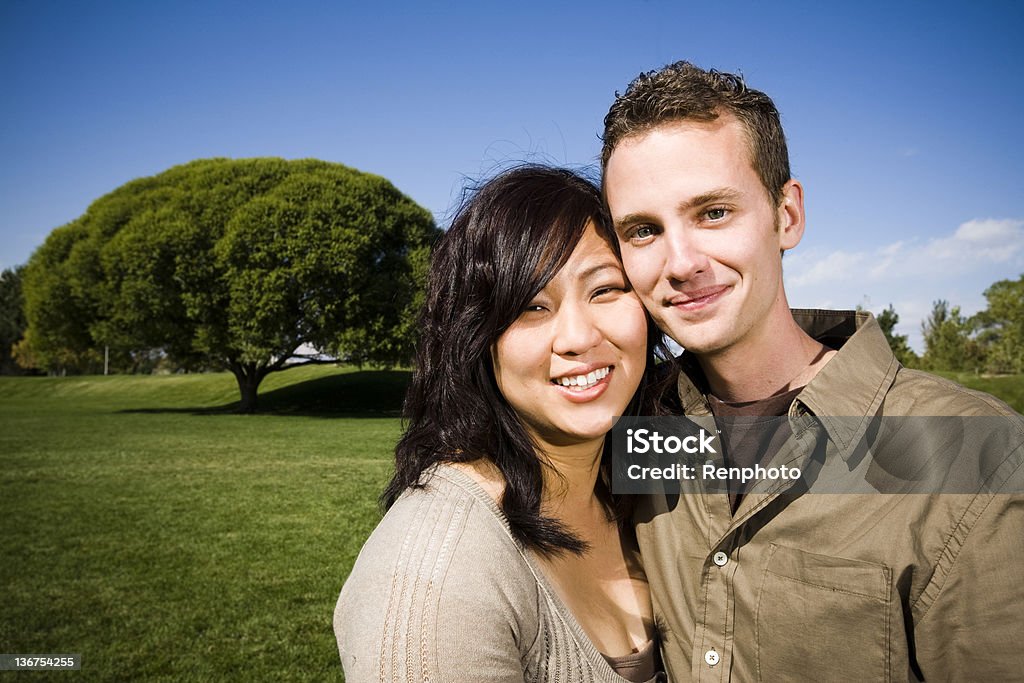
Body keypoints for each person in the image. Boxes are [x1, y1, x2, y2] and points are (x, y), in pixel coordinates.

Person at [599, 61, 1024, 680]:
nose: (681, 261)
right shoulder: (637, 428)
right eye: (643, 230)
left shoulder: (968, 451)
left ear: (787, 215)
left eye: (713, 212)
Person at [334, 166, 669, 682]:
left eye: (604, 290)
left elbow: (822, 458)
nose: (578, 337)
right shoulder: (437, 574)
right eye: (532, 307)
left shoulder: (652, 457)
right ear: (477, 338)